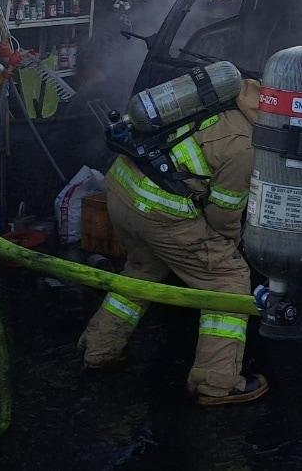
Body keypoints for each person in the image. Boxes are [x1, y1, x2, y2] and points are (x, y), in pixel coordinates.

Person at [78, 77, 266, 405]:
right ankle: (218, 381)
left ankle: (100, 347)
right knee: (227, 278)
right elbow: (223, 217)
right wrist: (232, 248)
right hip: (160, 212)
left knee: (142, 270)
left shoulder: (220, 94)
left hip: (122, 191)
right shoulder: (245, 145)